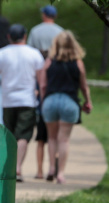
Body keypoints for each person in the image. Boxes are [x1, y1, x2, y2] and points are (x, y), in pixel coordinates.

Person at [0, 24, 45, 182]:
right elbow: (42, 81)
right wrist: (42, 98)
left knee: (11, 134)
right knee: (23, 135)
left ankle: (10, 166)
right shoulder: (34, 54)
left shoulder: (2, 53)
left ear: (9, 37)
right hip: (28, 100)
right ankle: (18, 167)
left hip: (7, 101)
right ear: (25, 36)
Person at [40, 31, 93, 184]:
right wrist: (88, 101)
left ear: (55, 44)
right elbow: (84, 86)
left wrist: (44, 102)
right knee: (63, 140)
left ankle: (51, 168)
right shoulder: (78, 63)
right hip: (70, 102)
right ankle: (61, 174)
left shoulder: (49, 61)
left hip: (50, 100)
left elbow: (43, 85)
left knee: (51, 138)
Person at [27, 5, 64, 178]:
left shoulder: (35, 31)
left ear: (44, 15)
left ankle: (40, 170)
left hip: (39, 73)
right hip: (57, 77)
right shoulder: (61, 32)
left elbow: (30, 53)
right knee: (56, 135)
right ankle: (55, 167)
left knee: (41, 135)